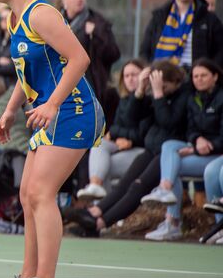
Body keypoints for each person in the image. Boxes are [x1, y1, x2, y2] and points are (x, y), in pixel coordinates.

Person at [0, 0, 104, 278]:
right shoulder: (14, 17)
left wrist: (52, 105)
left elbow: (79, 59)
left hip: (73, 112)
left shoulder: (42, 13)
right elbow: (28, 72)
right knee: (27, 195)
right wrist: (9, 110)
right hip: (49, 114)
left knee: (41, 193)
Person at [65, 61, 187, 238]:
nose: (159, 90)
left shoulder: (182, 96)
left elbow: (169, 122)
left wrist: (159, 94)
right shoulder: (149, 95)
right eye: (127, 75)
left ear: (175, 81)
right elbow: (130, 118)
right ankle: (94, 213)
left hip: (167, 151)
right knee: (124, 185)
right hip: (152, 148)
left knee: (138, 187)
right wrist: (140, 91)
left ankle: (98, 224)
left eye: (163, 86)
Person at [140, 58, 223, 240]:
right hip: (202, 152)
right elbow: (190, 130)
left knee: (212, 172)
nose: (199, 79)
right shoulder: (194, 99)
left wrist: (204, 146)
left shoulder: (220, 98)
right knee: (169, 148)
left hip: (216, 154)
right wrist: (196, 141)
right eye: (195, 76)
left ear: (215, 77)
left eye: (204, 75)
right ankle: (172, 220)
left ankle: (220, 225)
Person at [77, 58, 148, 200]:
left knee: (104, 166)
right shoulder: (124, 99)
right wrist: (120, 136)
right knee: (99, 144)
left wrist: (129, 139)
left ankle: (103, 210)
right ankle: (95, 187)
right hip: (124, 146)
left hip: (144, 152)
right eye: (126, 76)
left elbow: (144, 133)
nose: (130, 79)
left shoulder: (149, 99)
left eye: (134, 74)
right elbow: (115, 127)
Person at [57, 0, 121, 115]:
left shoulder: (97, 22)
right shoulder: (57, 21)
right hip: (61, 83)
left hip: (90, 85)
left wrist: (96, 35)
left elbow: (114, 53)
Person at [140, 0, 223, 69]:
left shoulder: (210, 19)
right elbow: (145, 50)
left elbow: (220, 51)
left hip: (196, 78)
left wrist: (209, 72)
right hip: (163, 74)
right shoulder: (159, 17)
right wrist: (149, 69)